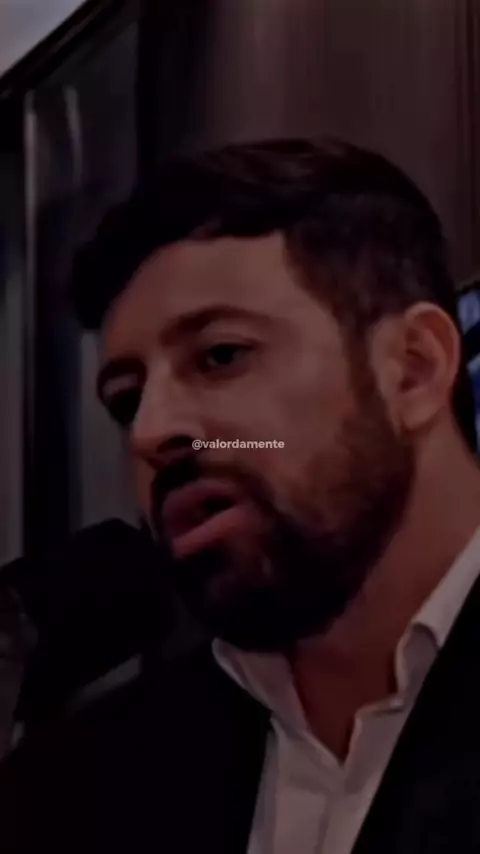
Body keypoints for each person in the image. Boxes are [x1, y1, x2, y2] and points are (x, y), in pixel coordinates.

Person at [1, 138, 480, 854]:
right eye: (127, 399)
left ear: (413, 369)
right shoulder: (73, 790)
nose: (151, 432)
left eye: (221, 356)